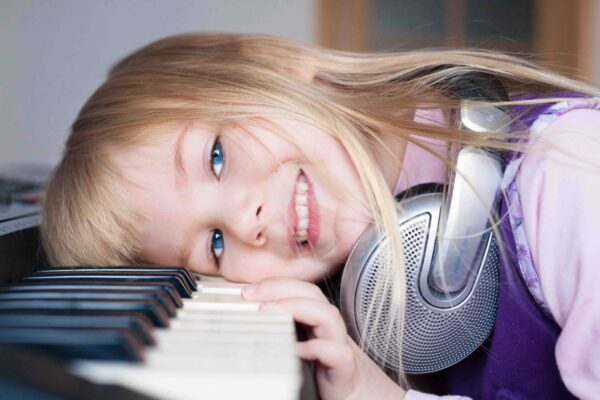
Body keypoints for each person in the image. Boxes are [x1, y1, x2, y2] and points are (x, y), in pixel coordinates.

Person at [41, 32, 600, 399]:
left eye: (215, 157)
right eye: (213, 244)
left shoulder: (567, 173)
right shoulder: (369, 288)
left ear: (280, 69)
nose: (247, 221)